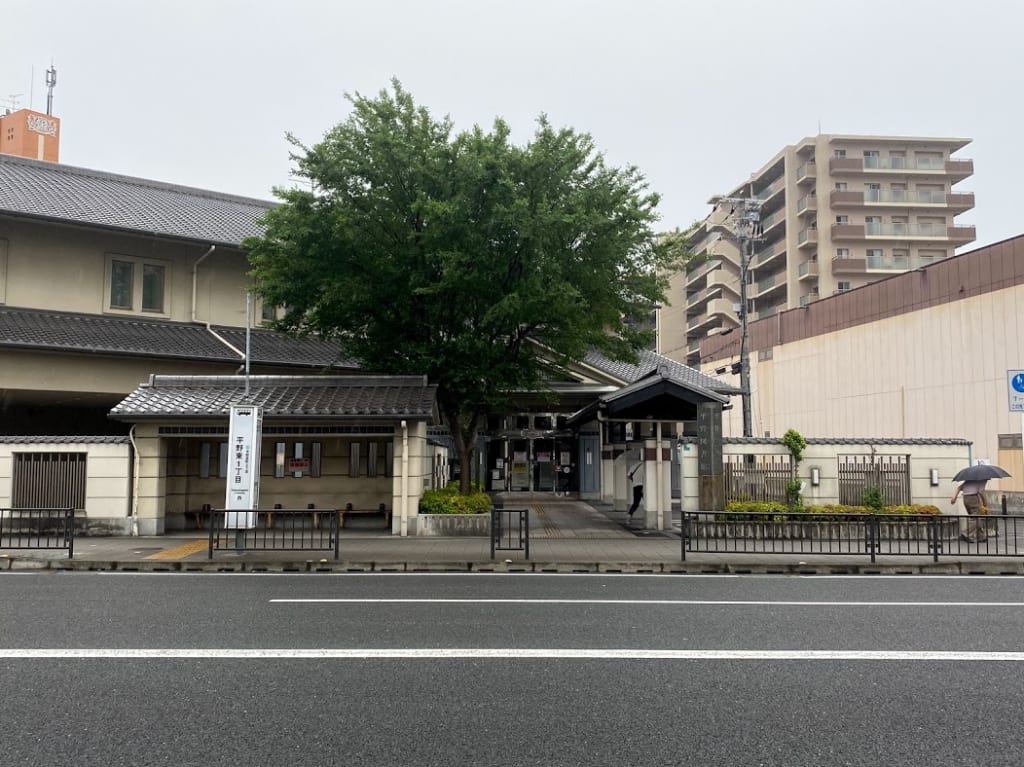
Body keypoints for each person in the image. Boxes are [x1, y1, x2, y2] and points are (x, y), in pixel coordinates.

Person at [951, 478, 988, 542]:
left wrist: (954, 497)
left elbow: (959, 488)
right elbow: (981, 491)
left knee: (975, 517)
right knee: (976, 518)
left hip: (965, 499)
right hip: (973, 498)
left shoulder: (969, 479)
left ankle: (981, 536)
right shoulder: (982, 479)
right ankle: (966, 534)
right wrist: (985, 502)